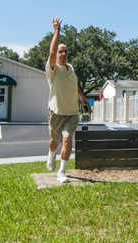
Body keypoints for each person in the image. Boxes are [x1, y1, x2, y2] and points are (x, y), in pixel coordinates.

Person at [45, 17, 87, 183]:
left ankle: (62, 172)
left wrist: (82, 98)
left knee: (67, 140)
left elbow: (73, 86)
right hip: (56, 112)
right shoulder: (52, 70)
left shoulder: (71, 69)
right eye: (60, 52)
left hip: (72, 112)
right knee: (54, 142)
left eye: (65, 52)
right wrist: (57, 31)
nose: (62, 54)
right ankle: (51, 154)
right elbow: (52, 52)